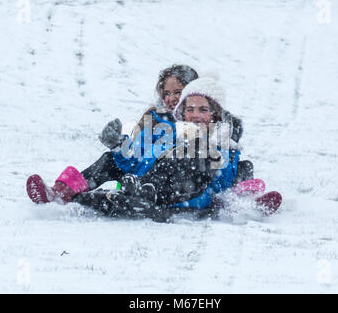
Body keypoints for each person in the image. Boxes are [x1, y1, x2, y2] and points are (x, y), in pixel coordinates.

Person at [72, 77, 275, 222]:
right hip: (153, 189)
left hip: (191, 196)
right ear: (182, 114)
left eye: (203, 110)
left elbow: (223, 181)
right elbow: (140, 163)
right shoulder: (171, 136)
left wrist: (219, 147)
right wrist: (118, 146)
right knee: (87, 197)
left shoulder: (218, 142)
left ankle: (142, 195)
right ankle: (77, 193)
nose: (195, 115)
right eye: (190, 109)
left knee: (202, 153)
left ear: (215, 115)